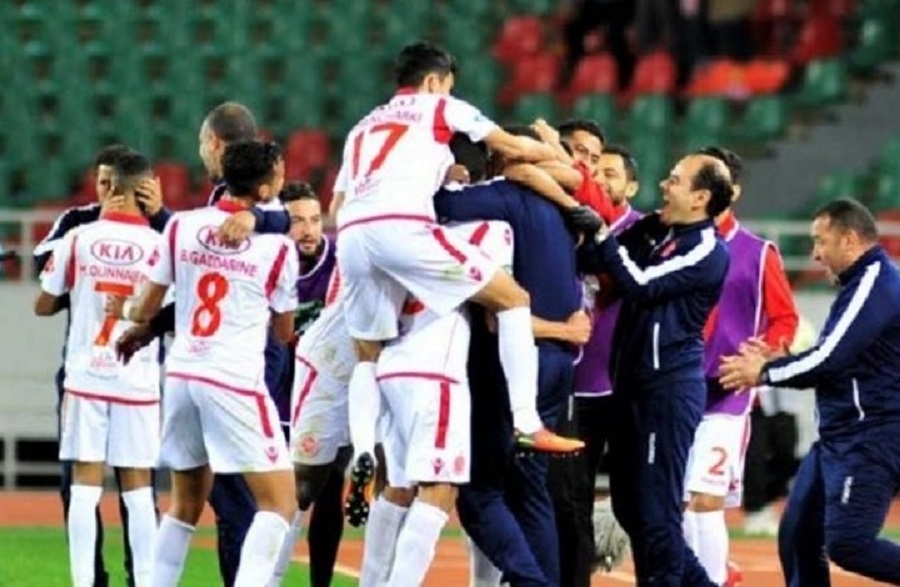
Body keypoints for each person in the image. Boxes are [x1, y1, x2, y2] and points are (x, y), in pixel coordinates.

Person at [333, 40, 586, 525]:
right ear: (434, 82)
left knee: (367, 350)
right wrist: (550, 150)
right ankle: (528, 423)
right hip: (402, 225)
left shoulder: (362, 127)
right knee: (512, 299)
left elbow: (336, 207)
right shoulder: (441, 107)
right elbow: (510, 148)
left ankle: (363, 449)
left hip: (352, 234)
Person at [121, 140, 298, 586]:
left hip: (182, 373)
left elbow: (146, 307)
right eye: (278, 175)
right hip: (233, 379)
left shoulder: (181, 226)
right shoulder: (277, 248)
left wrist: (132, 318)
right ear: (264, 189)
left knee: (184, 506)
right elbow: (283, 332)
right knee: (280, 504)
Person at [435, 130, 593, 587]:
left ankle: (530, 580)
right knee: (531, 493)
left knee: (479, 490)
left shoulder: (501, 202)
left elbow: (440, 205)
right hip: (559, 365)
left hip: (516, 362)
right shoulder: (562, 212)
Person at [720, 198, 900, 586]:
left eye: (821, 241)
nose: (815, 253)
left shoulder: (875, 283)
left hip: (872, 436)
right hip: (841, 435)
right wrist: (777, 360)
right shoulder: (861, 283)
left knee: (849, 544)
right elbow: (836, 358)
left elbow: (829, 360)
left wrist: (764, 372)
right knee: (798, 533)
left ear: (849, 240)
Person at [579, 152, 733, 586]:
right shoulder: (664, 235)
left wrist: (607, 234)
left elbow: (640, 287)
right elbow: (599, 262)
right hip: (634, 388)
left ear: (701, 197)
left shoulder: (706, 248)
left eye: (675, 180)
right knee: (631, 507)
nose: (664, 185)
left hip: (666, 391)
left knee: (656, 512)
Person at [32, 143, 168, 587]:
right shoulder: (160, 244)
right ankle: (145, 582)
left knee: (85, 486)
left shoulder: (78, 235)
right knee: (139, 489)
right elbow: (168, 311)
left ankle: (82, 582)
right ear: (143, 188)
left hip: (87, 374)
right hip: (139, 378)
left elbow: (43, 302)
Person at [682, 146, 798, 585]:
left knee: (705, 499)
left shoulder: (757, 252)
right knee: (672, 505)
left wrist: (759, 354)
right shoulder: (669, 241)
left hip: (725, 397)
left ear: (733, 190)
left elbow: (785, 319)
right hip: (673, 391)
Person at [551, 144, 642, 586]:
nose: (602, 180)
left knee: (638, 501)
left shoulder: (643, 233)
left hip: (625, 388)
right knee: (571, 500)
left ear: (632, 185)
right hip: (577, 386)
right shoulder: (567, 229)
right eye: (596, 172)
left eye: (611, 173)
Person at [269, 181, 347, 587]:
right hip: (280, 392)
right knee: (283, 495)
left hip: (328, 390)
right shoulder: (268, 261)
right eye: (296, 221)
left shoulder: (339, 259)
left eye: (315, 220)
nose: (308, 230)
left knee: (330, 490)